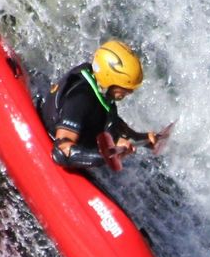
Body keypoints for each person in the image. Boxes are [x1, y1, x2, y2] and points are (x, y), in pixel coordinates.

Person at [48, 39, 164, 169]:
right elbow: (61, 152)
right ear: (108, 79)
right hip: (47, 142)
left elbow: (102, 117)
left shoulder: (98, 89)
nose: (130, 92)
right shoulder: (81, 98)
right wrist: (109, 154)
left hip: (80, 140)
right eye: (125, 87)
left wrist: (139, 137)